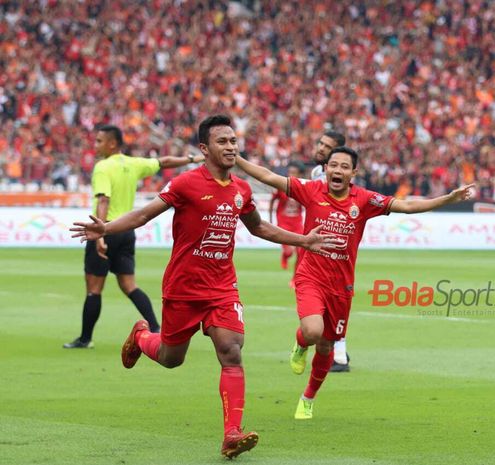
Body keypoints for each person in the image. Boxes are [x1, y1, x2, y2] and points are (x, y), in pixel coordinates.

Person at [70, 115, 338, 458]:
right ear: (204, 148)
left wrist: (303, 240)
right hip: (184, 287)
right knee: (171, 359)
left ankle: (231, 435)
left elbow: (260, 228)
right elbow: (145, 214)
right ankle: (140, 336)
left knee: (231, 351)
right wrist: (105, 228)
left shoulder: (241, 189)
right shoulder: (185, 184)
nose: (231, 147)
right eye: (222, 142)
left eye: (233, 141)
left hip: (222, 287)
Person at [234, 146, 474, 420]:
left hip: (341, 287)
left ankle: (308, 397)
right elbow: (268, 176)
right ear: (325, 169)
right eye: (333, 165)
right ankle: (300, 344)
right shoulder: (311, 190)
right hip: (311, 276)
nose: (337, 170)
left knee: (326, 347)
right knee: (312, 331)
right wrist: (237, 159)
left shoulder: (364, 199)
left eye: (344, 167)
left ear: (353, 173)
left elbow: (406, 206)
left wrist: (448, 198)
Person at [64, 124, 205, 349]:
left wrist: (100, 236)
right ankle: (157, 329)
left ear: (112, 143)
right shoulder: (134, 163)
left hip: (107, 228)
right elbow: (164, 162)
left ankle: (85, 338)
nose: (96, 144)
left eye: (100, 141)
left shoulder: (103, 167)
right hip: (126, 231)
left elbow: (103, 200)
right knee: (129, 285)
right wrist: (192, 159)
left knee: (94, 288)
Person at [308, 130, 353, 372]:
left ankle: (340, 356)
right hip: (318, 245)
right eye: (320, 142)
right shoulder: (318, 173)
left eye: (327, 146)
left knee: (336, 304)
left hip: (338, 249)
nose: (320, 148)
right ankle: (339, 352)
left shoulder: (342, 176)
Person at [269, 163, 304, 273]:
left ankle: (295, 279)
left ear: (299, 174)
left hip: (297, 222)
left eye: (294, 172)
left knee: (300, 252)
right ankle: (285, 255)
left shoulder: (303, 187)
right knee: (289, 251)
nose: (291, 174)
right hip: (283, 221)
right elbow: (272, 200)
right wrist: (271, 218)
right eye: (290, 172)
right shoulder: (281, 186)